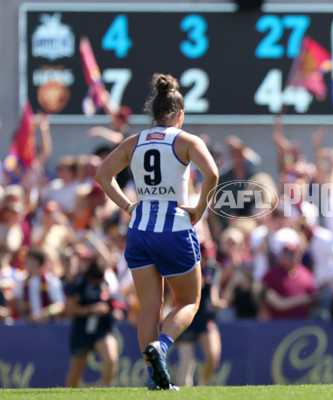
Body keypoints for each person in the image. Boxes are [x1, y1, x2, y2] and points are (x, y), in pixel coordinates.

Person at [95, 73, 219, 390]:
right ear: (180, 114)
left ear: (154, 114)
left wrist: (127, 206)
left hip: (139, 229)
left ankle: (155, 378)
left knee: (149, 306)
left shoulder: (134, 142)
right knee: (189, 301)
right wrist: (199, 209)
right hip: (174, 226)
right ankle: (161, 348)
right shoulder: (188, 141)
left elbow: (102, 174)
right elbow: (213, 174)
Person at [65, 257, 125, 387]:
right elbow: (70, 310)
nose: (95, 283)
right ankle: (68, 395)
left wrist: (114, 310)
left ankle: (107, 392)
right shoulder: (79, 284)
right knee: (77, 369)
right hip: (82, 331)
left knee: (111, 358)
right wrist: (91, 310)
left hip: (101, 329)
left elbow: (115, 301)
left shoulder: (106, 283)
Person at [176, 241, 227, 386]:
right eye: (204, 257)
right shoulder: (186, 267)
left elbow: (213, 294)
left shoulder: (214, 269)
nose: (207, 260)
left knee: (213, 356)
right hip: (187, 317)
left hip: (205, 317)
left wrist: (218, 303)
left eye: (209, 257)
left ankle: (203, 386)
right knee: (186, 367)